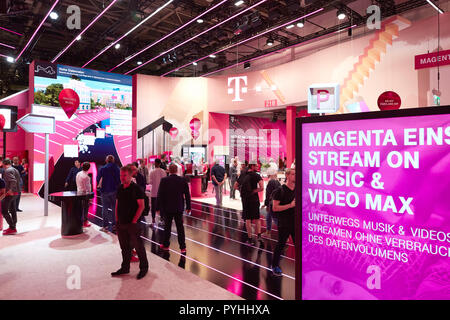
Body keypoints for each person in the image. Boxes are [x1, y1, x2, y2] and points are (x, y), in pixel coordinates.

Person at [111, 165, 148, 280]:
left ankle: (144, 268)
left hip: (132, 224)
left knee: (138, 247)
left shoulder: (136, 189)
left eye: (124, 175)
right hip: (121, 223)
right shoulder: (120, 188)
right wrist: (116, 220)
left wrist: (134, 221)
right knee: (124, 247)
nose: (122, 177)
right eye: (121, 175)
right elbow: (117, 205)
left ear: (130, 175)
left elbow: (141, 206)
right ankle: (125, 267)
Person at [156, 164, 191, 254]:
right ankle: (183, 247)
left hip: (167, 208)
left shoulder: (164, 180)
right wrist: (188, 207)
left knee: (167, 227)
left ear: (169, 170)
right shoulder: (182, 180)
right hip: (179, 207)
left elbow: (160, 195)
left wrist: (157, 207)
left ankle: (166, 245)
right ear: (176, 170)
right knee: (180, 228)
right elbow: (187, 194)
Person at [271, 168, 295, 276]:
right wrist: (290, 205)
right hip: (284, 223)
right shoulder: (280, 191)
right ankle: (274, 265)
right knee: (281, 244)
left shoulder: (298, 189)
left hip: (295, 223)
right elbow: (275, 208)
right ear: (288, 176)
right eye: (294, 174)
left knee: (299, 245)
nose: (296, 176)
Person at [240, 161, 264, 245]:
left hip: (246, 200)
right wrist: (254, 191)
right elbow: (262, 187)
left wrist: (243, 192)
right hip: (254, 199)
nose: (258, 167)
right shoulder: (257, 175)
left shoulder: (243, 174)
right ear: (252, 166)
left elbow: (236, 185)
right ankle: (259, 235)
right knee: (257, 218)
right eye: (256, 166)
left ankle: (250, 239)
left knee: (247, 220)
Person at [97, 155, 120, 233]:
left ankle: (105, 226)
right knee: (114, 208)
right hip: (114, 190)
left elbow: (98, 179)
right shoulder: (117, 168)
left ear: (106, 160)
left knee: (105, 208)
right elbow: (119, 180)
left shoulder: (102, 168)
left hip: (104, 191)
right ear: (113, 160)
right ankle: (114, 225)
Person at [1, 159, 21, 235]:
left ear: (4, 164)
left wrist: (11, 190)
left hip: (11, 193)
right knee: (13, 210)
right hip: (16, 193)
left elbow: (13, 181)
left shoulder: (7, 171)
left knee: (4, 210)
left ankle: (12, 227)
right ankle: (13, 227)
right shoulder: (14, 169)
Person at [262, 168, 281, 236]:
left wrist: (267, 204)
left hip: (272, 203)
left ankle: (284, 234)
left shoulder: (271, 182)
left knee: (275, 219)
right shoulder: (277, 182)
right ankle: (268, 231)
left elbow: (268, 194)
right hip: (276, 202)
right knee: (269, 217)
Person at [149, 158, 166, 227]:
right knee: (162, 206)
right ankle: (162, 219)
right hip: (161, 192)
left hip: (154, 192)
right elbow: (165, 182)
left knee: (153, 207)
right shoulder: (163, 171)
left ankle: (153, 220)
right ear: (160, 163)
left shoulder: (152, 172)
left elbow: (150, 182)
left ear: (155, 163)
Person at [76, 162, 92, 228]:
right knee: (85, 208)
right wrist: (90, 197)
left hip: (79, 192)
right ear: (88, 168)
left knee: (80, 208)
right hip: (84, 194)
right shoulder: (86, 177)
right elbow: (87, 188)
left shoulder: (78, 173)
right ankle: (84, 222)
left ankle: (80, 221)